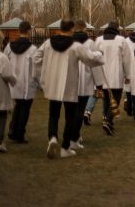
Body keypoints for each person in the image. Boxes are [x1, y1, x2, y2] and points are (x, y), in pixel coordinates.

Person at [33, 19, 104, 159]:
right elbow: (90, 58)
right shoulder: (75, 46)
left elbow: (35, 57)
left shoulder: (48, 43)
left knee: (54, 114)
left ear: (60, 28)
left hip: (53, 84)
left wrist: (44, 73)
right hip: (69, 85)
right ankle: (65, 147)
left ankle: (52, 137)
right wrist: (100, 54)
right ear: (72, 29)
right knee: (70, 116)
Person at [94, 21, 131, 135]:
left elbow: (95, 56)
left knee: (106, 98)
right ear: (117, 29)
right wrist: (128, 75)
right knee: (116, 99)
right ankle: (108, 120)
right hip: (116, 74)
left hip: (102, 74)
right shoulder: (121, 40)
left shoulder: (99, 40)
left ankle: (106, 119)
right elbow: (126, 60)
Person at [5, 20, 37, 144]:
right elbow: (36, 67)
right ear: (29, 31)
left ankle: (13, 131)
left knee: (18, 106)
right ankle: (19, 133)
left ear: (19, 31)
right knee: (25, 108)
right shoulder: (33, 49)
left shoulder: (9, 47)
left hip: (13, 82)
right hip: (27, 83)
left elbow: (4, 62)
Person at [70, 21, 97, 150]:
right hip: (85, 78)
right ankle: (74, 137)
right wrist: (99, 83)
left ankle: (73, 134)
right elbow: (94, 61)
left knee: (72, 110)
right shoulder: (90, 43)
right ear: (85, 29)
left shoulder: (69, 42)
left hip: (72, 79)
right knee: (80, 110)